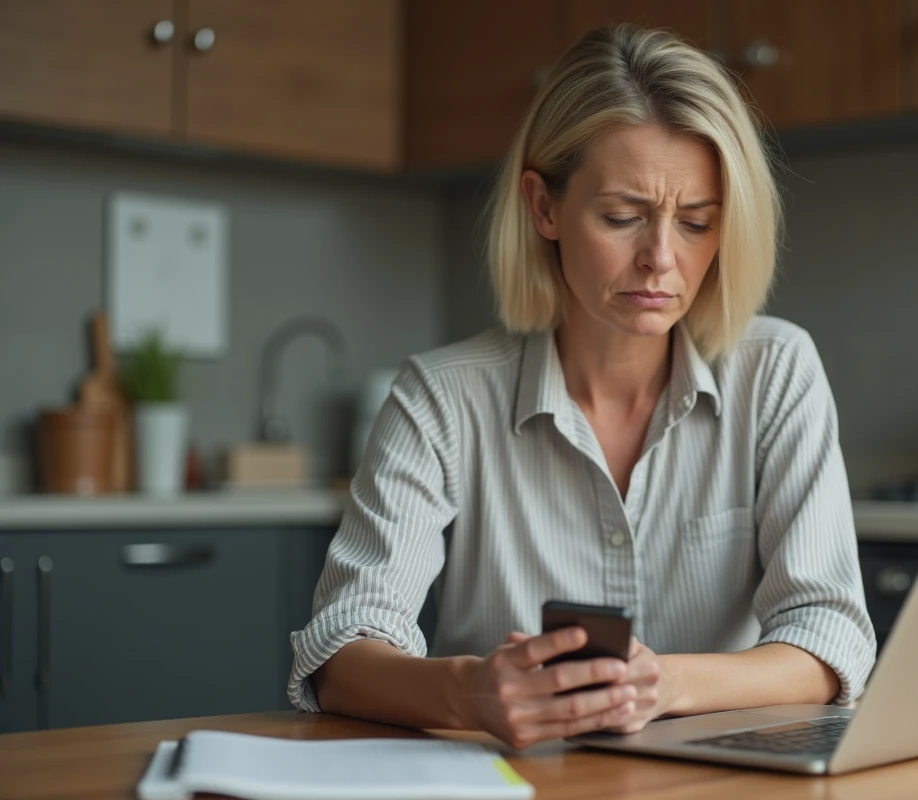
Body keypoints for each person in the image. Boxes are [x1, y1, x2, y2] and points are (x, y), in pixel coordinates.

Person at [288, 24, 875, 749]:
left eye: (696, 223)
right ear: (544, 209)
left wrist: (665, 684)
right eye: (623, 217)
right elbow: (343, 652)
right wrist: (469, 693)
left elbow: (830, 636)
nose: (661, 259)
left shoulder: (777, 372)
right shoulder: (440, 398)